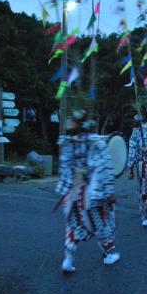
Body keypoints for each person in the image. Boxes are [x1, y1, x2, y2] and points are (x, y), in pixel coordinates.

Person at [55, 110, 120, 273]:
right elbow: (105, 170)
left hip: (73, 192)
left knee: (73, 225)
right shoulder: (97, 143)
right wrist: (110, 192)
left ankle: (68, 260)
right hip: (92, 194)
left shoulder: (67, 144)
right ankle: (108, 255)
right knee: (102, 223)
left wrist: (67, 188)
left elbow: (64, 169)